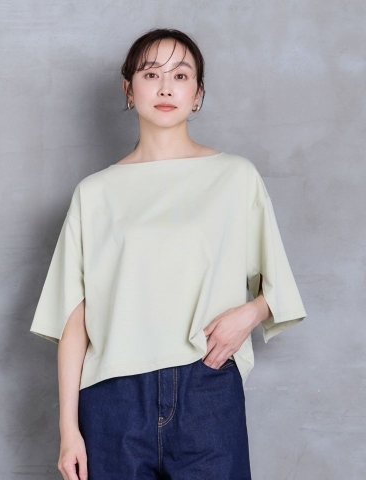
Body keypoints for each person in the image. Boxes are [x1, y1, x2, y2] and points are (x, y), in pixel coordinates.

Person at [30, 28, 307, 480]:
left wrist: (249, 314)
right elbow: (73, 318)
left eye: (180, 75)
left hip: (207, 387)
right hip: (112, 397)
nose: (164, 88)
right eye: (150, 74)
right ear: (129, 90)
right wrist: (68, 430)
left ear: (197, 94)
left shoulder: (235, 177)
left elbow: (279, 288)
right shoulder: (95, 193)